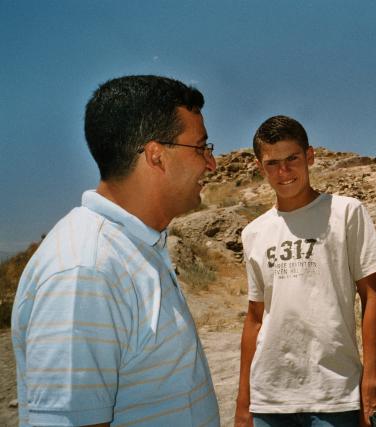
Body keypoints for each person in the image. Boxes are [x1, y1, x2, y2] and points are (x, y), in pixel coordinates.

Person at [11, 75, 220, 427]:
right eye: (201, 147)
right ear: (156, 155)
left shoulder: (134, 247)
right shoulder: (85, 271)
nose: (211, 163)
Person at [234, 115, 376, 427]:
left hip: (335, 392)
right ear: (259, 167)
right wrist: (244, 402)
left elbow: (372, 296)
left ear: (310, 157)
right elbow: (254, 318)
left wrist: (372, 377)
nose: (284, 171)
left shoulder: (346, 212)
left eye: (292, 158)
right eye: (272, 163)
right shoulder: (254, 232)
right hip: (270, 397)